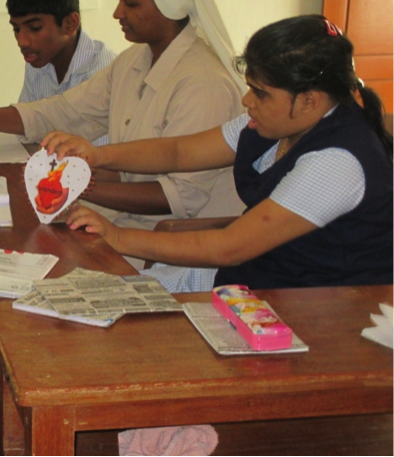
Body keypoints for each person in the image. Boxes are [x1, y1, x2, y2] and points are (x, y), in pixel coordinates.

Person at [0, 0, 246, 268]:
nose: (117, 13)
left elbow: (179, 198)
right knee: (6, 239)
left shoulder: (203, 82)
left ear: (169, 4)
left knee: (35, 264)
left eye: (130, 3)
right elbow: (63, 112)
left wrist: (76, 187)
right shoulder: (133, 61)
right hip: (122, 220)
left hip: (172, 247)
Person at [52, 15, 394, 292]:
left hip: (308, 309)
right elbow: (179, 152)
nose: (247, 101)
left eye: (260, 93)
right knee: (77, 292)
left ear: (309, 100)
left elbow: (230, 247)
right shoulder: (272, 123)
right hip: (257, 279)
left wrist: (116, 236)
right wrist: (96, 155)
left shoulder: (336, 162)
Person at [7, 0, 116, 144]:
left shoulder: (105, 71)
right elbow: (26, 130)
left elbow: (91, 155)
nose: (22, 41)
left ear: (70, 24)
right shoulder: (37, 61)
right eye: (16, 29)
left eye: (34, 28)